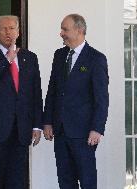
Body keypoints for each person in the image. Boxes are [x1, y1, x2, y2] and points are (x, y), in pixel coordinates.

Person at [0, 15, 43, 189]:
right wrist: (7, 60)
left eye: (12, 28)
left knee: (18, 181)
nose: (8, 32)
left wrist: (37, 125)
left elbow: (35, 93)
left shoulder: (30, 58)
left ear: (18, 32)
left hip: (21, 130)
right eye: (4, 29)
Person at [43, 14, 109, 189]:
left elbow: (101, 98)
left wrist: (97, 128)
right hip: (60, 130)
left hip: (84, 133)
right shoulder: (59, 55)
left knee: (87, 181)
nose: (61, 33)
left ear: (79, 30)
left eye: (65, 29)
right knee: (65, 181)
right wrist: (48, 121)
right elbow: (53, 91)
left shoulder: (96, 58)